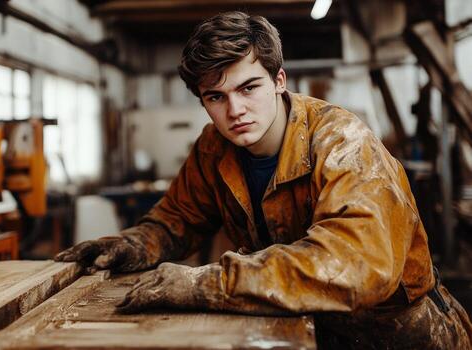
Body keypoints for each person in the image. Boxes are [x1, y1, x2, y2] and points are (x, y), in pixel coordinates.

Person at [55, 11, 472, 349]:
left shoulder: (342, 141)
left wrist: (209, 282)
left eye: (248, 87)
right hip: (310, 328)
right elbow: (177, 220)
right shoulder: (213, 148)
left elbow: (356, 265)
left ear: (278, 81)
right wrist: (131, 244)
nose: (234, 109)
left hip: (402, 336)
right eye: (215, 97)